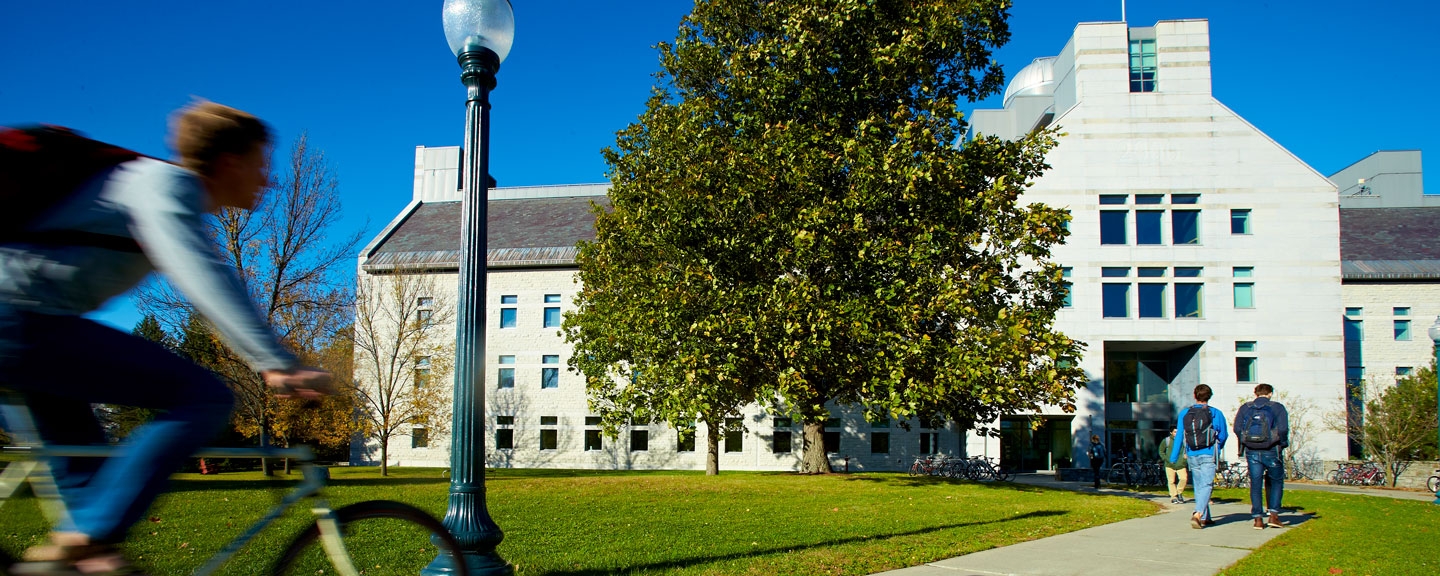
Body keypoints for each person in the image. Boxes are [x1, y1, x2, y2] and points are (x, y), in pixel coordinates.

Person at [0, 101, 333, 575]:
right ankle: (86, 542)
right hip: (18, 323)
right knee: (204, 395)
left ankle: (84, 551)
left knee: (95, 490)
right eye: (261, 165)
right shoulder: (165, 185)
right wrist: (276, 360)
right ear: (229, 162)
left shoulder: (156, 190)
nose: (267, 180)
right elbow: (203, 275)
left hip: (31, 331)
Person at [1170, 384, 1228, 529]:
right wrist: (1218, 448)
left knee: (1199, 484)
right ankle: (1198, 513)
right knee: (1207, 484)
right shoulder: (1215, 413)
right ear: (1209, 396)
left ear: (1195, 396)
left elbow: (1178, 437)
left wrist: (1173, 456)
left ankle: (1206, 517)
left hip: (1192, 453)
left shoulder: (1185, 413)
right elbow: (1223, 434)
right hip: (1208, 452)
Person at [1234, 383, 1290, 530]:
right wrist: (1281, 443)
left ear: (1256, 393)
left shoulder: (1246, 407)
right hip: (1272, 449)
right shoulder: (1277, 407)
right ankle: (1273, 515)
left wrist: (1245, 440)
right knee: (1276, 481)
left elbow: (1237, 428)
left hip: (1252, 450)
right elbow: (1283, 428)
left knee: (1255, 483)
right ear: (1270, 393)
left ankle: (1258, 519)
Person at [1158, 428, 1188, 504]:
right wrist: (1166, 459)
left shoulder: (1184, 440)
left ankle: (1179, 492)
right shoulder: (1167, 440)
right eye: (1175, 432)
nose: (1176, 433)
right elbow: (1161, 451)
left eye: (1178, 432)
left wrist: (1185, 459)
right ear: (1171, 432)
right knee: (1171, 481)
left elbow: (1187, 450)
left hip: (1181, 464)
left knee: (1183, 478)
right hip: (1169, 464)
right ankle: (1174, 496)